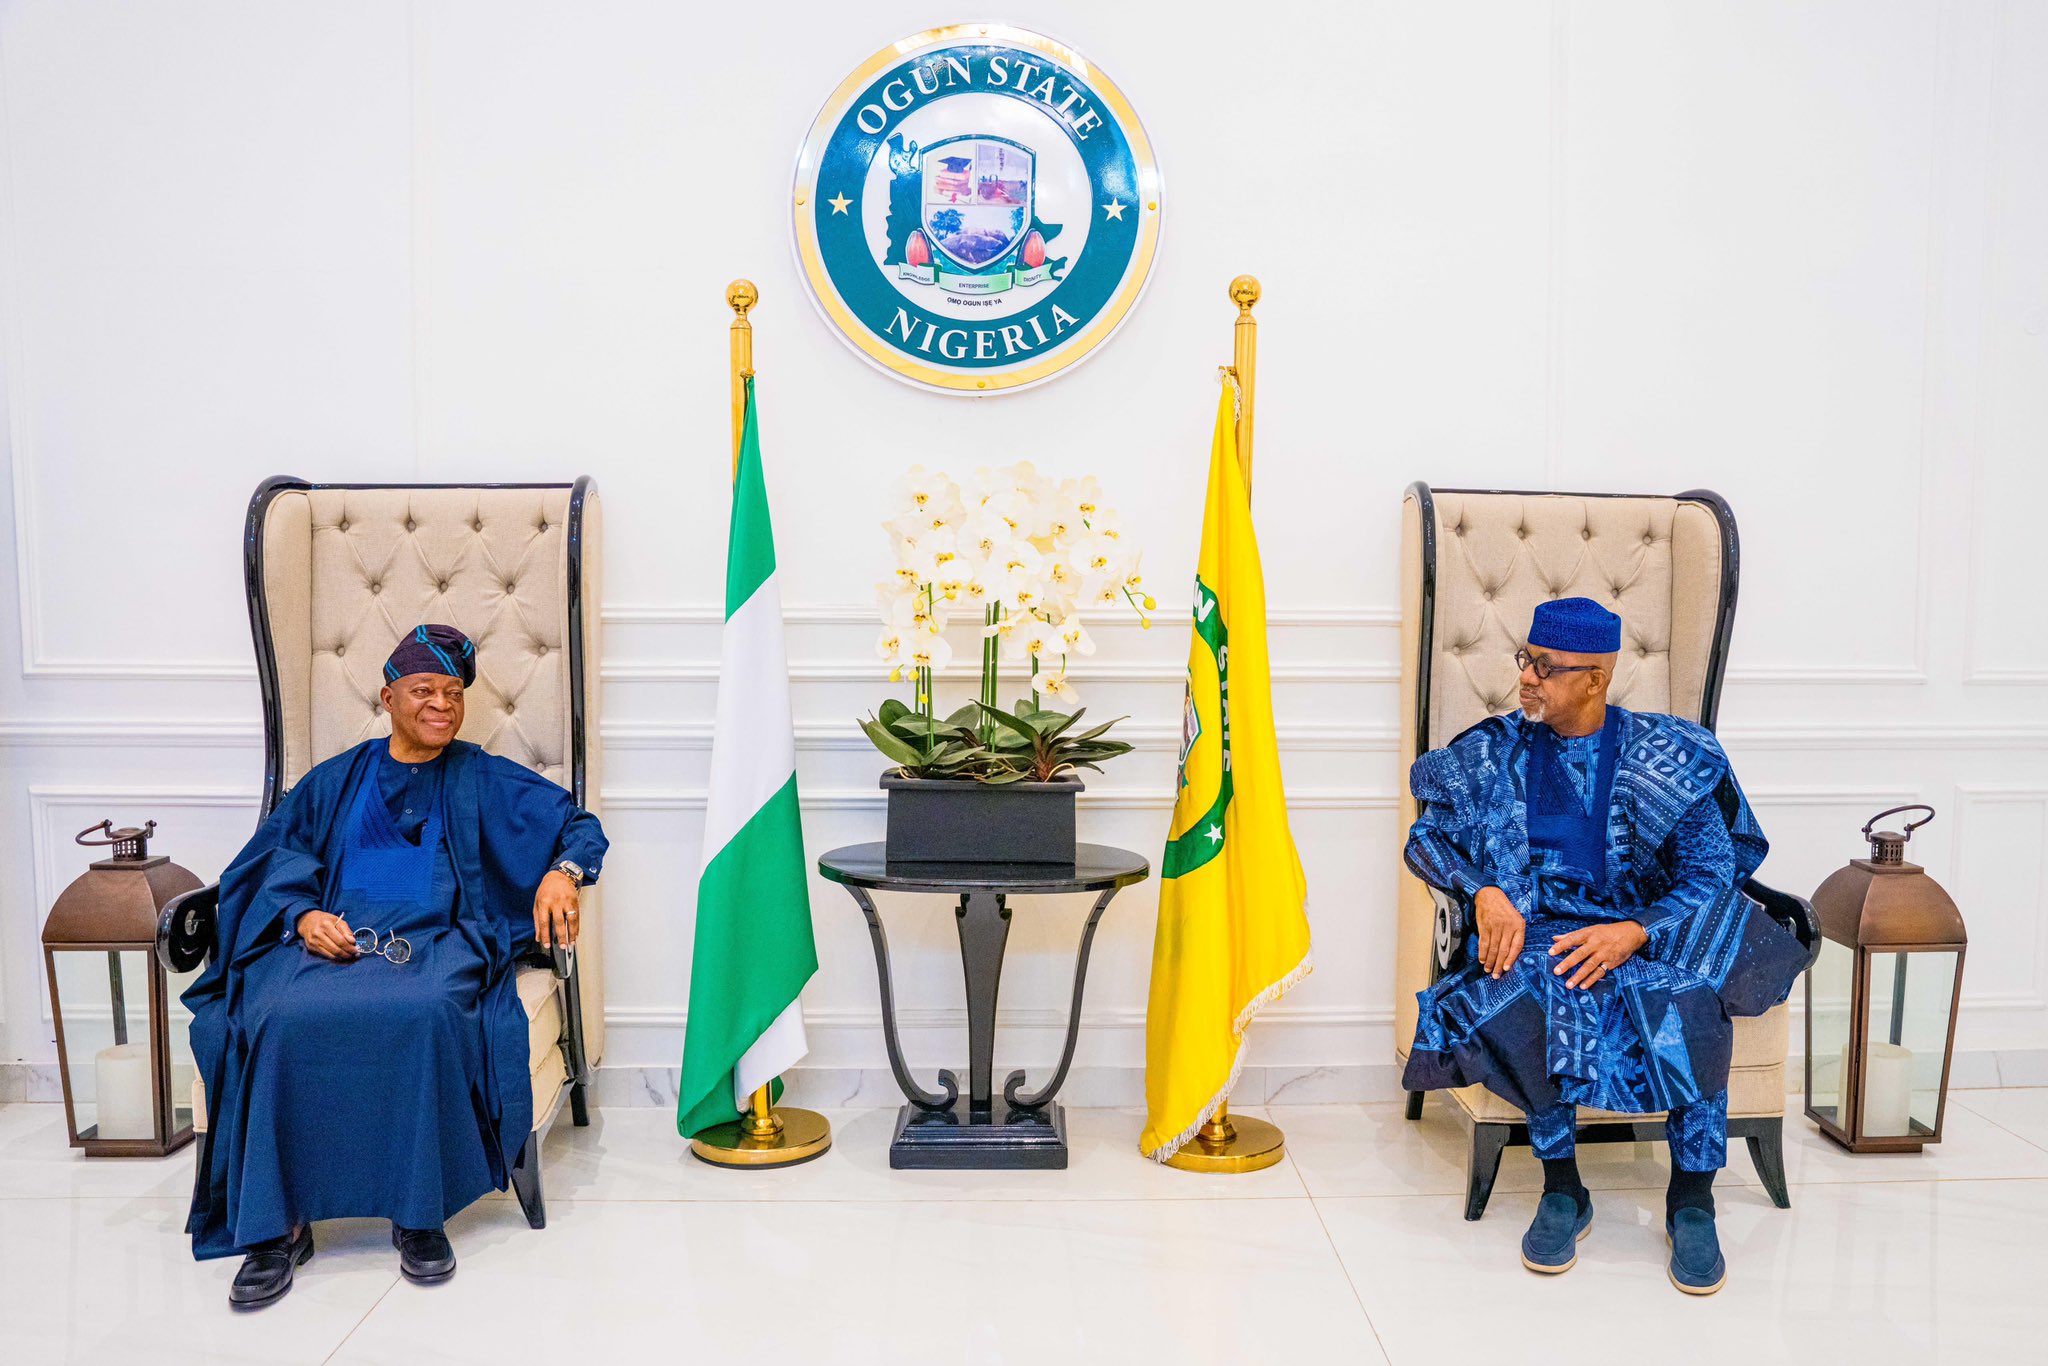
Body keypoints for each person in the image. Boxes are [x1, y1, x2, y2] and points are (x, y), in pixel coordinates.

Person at [183, 624, 607, 1309]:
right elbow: (272, 863)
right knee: (276, 1015)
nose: (441, 705)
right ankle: (277, 1228)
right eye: (423, 691)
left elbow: (578, 826)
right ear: (388, 696)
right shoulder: (336, 781)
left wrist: (564, 870)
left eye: (453, 692)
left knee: (428, 1011)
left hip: (437, 945)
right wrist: (300, 917)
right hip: (332, 946)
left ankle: (419, 1215)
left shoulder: (480, 776)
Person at [1402, 597, 1805, 1295]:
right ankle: (1563, 1188)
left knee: (1687, 996)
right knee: (1526, 986)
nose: (1525, 678)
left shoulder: (1665, 754)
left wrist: (1636, 931)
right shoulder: (1492, 752)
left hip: (1648, 930)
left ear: (1595, 678)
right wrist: (1482, 892)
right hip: (1540, 930)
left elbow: (1711, 872)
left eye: (1545, 668)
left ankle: (1691, 1197)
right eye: (1525, 659)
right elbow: (1425, 840)